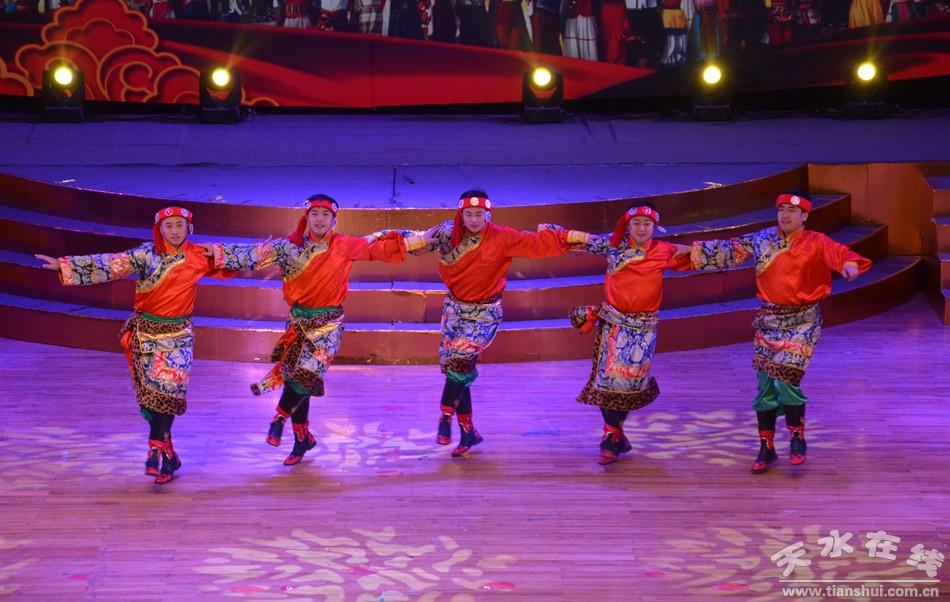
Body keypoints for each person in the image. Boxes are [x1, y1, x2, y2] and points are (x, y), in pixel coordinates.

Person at [210, 195, 426, 466]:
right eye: (315, 214)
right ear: (307, 218)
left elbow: (379, 248)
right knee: (297, 380)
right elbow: (253, 255)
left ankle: (279, 417)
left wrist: (421, 240)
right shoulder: (288, 248)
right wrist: (214, 253)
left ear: (334, 220)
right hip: (298, 323)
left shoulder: (345, 245)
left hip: (328, 324)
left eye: (326, 215)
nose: (320, 219)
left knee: (307, 375)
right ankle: (302, 439)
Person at [35, 206, 237, 484]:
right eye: (169, 226)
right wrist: (66, 266)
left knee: (169, 394)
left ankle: (154, 451)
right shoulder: (146, 255)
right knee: (153, 401)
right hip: (147, 336)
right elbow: (110, 264)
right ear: (159, 229)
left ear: (189, 228)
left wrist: (265, 253)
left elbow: (236, 259)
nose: (174, 231)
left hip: (179, 338)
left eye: (180, 225)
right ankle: (170, 456)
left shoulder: (198, 255)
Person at [688, 189, 871, 474]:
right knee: (764, 387)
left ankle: (797, 437)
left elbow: (839, 253)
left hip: (802, 323)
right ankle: (767, 447)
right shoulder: (763, 239)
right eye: (781, 209)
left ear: (805, 216)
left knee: (786, 379)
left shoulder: (816, 242)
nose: (785, 215)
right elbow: (729, 249)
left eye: (792, 211)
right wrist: (689, 252)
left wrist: (849, 264)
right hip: (769, 321)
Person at [418, 190, 589, 457]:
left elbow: (535, 243)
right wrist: (411, 241)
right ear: (461, 214)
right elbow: (416, 243)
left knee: (459, 361)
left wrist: (571, 238)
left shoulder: (502, 237)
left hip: (485, 313)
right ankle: (467, 431)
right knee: (456, 370)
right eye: (468, 214)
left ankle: (445, 416)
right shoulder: (447, 233)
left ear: (488, 215)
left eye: (479, 214)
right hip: (454, 311)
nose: (474, 220)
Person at [560, 202, 692, 464]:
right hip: (614, 323)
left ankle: (614, 436)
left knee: (629, 383)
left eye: (647, 224)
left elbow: (699, 256)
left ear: (655, 227)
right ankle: (611, 437)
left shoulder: (662, 251)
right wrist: (552, 232)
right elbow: (582, 241)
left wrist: (701, 249)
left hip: (643, 329)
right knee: (607, 380)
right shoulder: (614, 245)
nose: (642, 229)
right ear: (627, 225)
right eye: (636, 223)